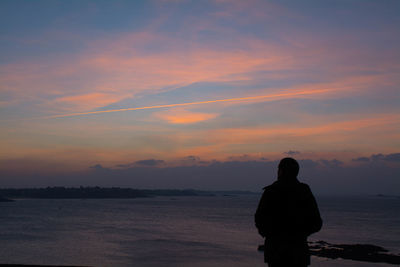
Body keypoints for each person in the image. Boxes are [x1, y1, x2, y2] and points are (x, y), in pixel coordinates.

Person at [255, 157, 322, 267]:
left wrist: (270, 234)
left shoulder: (271, 191)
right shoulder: (304, 191)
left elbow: (259, 218)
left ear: (281, 171)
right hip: (298, 252)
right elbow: (316, 223)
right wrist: (301, 234)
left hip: (276, 253)